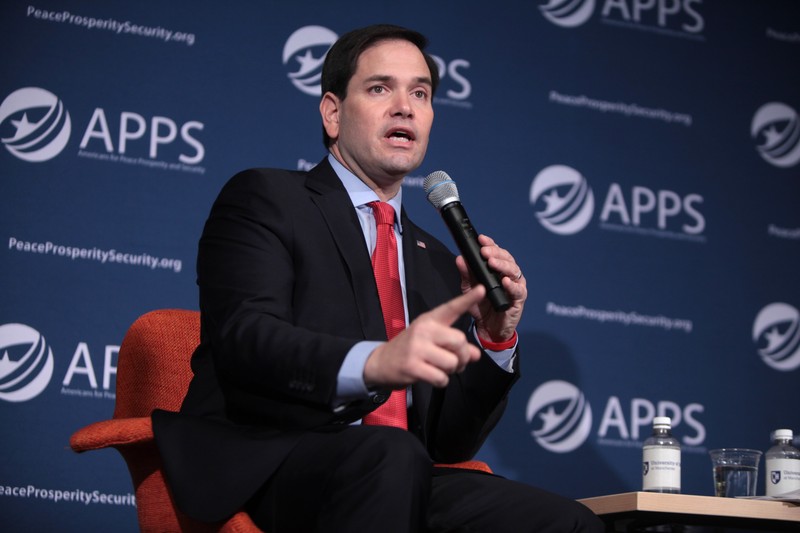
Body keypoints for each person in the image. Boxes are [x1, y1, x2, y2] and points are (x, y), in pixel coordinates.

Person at [153, 24, 603, 533]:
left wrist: (494, 338)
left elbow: (447, 444)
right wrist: (374, 363)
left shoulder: (436, 259)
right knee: (389, 456)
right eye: (379, 88)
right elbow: (246, 339)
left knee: (570, 523)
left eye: (420, 93)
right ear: (332, 112)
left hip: (399, 474)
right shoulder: (267, 198)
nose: (405, 107)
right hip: (271, 463)